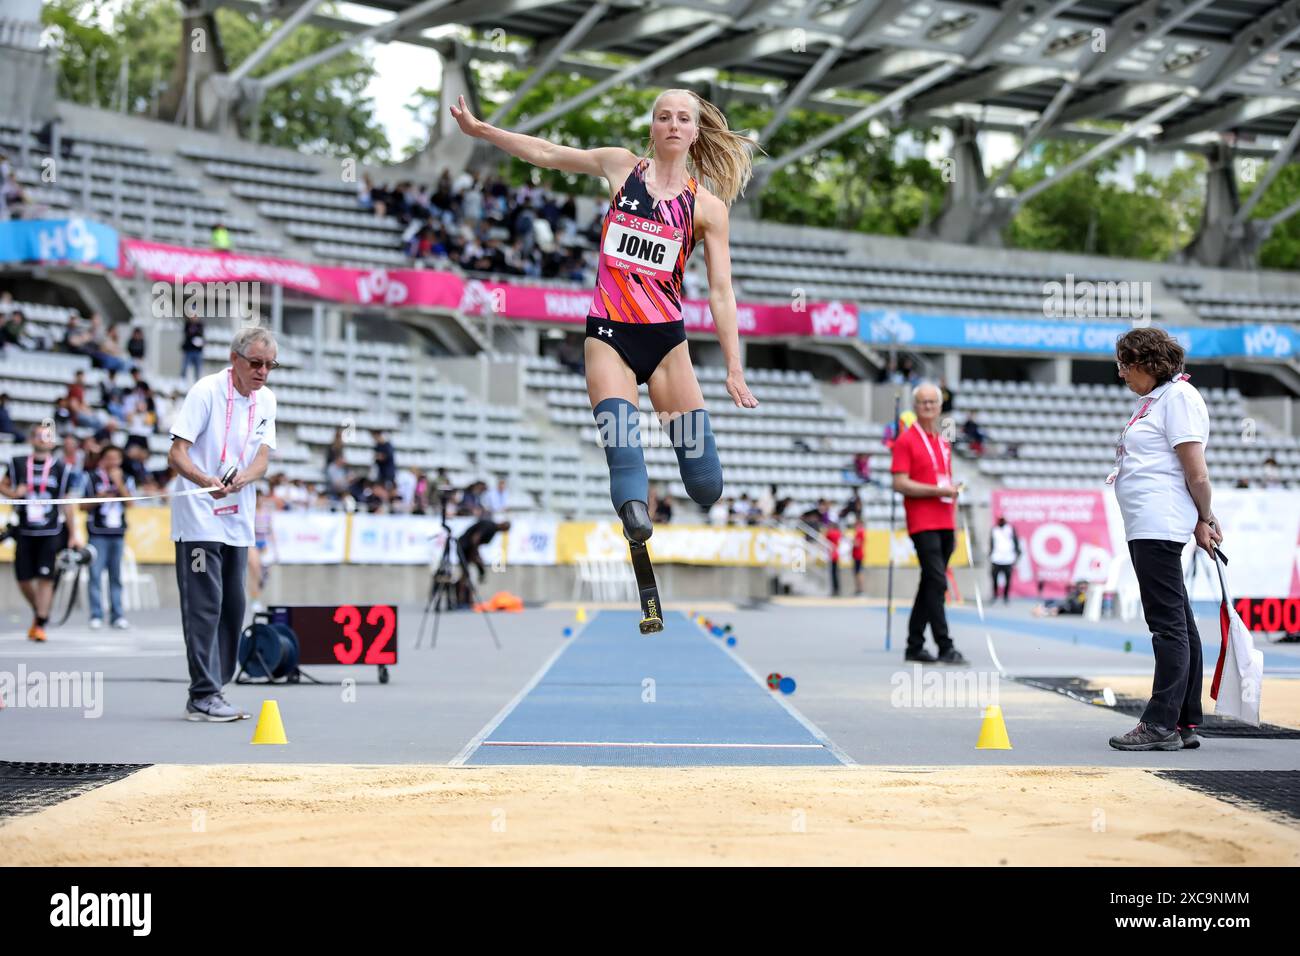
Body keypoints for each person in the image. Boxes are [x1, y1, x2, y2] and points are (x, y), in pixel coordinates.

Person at [450, 88, 757, 548]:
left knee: (706, 483)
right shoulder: (620, 166)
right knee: (624, 453)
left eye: (683, 119)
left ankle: (657, 497)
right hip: (609, 335)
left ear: (695, 132)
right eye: (663, 117)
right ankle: (633, 515)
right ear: (652, 127)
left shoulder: (707, 208)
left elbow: (720, 291)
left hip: (666, 343)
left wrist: (734, 366)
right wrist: (483, 131)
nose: (673, 124)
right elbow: (548, 153)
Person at [1108, 327, 1219, 752]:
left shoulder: (1179, 398)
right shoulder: (1157, 399)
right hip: (1151, 521)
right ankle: (1186, 720)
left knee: (1166, 625)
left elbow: (1197, 473)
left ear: (1146, 363)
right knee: (1181, 622)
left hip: (1159, 523)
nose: (1121, 373)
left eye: (1125, 364)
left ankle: (1160, 723)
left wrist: (1204, 519)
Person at [167, 326, 279, 722]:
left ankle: (215, 687)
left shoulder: (267, 400)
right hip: (199, 517)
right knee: (204, 605)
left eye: (269, 365)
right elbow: (176, 452)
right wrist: (204, 481)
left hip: (237, 517)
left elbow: (263, 457)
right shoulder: (205, 391)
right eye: (255, 363)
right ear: (235, 359)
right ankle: (202, 694)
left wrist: (246, 477)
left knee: (234, 604)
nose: (263, 371)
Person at [891, 383, 967, 665]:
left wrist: (954, 518)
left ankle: (914, 645)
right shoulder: (905, 440)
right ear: (915, 406)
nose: (928, 407)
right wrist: (937, 492)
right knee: (937, 580)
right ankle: (945, 645)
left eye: (932, 402)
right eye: (923, 402)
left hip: (945, 519)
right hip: (922, 521)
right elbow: (899, 483)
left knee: (930, 583)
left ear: (939, 406)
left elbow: (946, 480)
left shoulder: (943, 439)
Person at [0, 423, 84, 641]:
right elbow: (3, 485)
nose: (42, 439)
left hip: (51, 530)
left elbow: (67, 502)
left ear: (53, 442)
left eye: (46, 436)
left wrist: (74, 533)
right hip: (25, 530)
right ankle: (41, 611)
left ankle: (39, 623)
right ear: (31, 440)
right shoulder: (17, 464)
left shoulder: (61, 468)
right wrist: (13, 492)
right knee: (23, 579)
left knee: (46, 577)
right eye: (38, 436)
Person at [82, 444, 133, 630]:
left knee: (116, 576)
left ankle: (117, 615)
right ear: (102, 459)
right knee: (95, 575)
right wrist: (99, 497)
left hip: (117, 534)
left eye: (117, 458)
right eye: (109, 457)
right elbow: (81, 506)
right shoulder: (90, 477)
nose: (113, 462)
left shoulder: (126, 478)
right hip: (97, 533)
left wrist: (118, 483)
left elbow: (131, 505)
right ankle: (96, 614)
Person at [455, 517, 511, 607]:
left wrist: (477, 556)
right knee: (466, 573)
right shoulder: (490, 526)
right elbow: (474, 539)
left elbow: (477, 542)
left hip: (469, 549)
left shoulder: (493, 531)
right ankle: (460, 600)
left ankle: (467, 600)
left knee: (469, 574)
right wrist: (476, 555)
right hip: (463, 547)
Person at [989, 515, 1019, 603]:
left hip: (1008, 559)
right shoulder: (994, 530)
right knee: (994, 578)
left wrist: (1017, 553)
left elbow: (1015, 541)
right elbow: (991, 542)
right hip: (996, 558)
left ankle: (1006, 596)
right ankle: (995, 595)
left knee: (1008, 579)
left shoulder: (1010, 529)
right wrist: (990, 554)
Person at [181, 314, 205, 383]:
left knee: (198, 369)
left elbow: (201, 336)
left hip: (197, 350)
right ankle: (182, 382)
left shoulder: (200, 325)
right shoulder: (187, 325)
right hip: (189, 350)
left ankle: (197, 382)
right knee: (184, 367)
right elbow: (187, 335)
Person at [850, 513, 866, 596]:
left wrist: (851, 541)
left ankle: (860, 589)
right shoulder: (859, 532)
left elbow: (857, 544)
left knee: (858, 572)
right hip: (857, 555)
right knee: (857, 572)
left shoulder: (860, 532)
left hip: (858, 555)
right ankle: (858, 589)